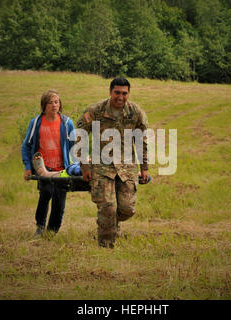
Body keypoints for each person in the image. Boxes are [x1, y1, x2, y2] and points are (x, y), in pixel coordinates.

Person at [76, 77, 149, 248]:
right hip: (102, 165)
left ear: (128, 94)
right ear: (110, 92)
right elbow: (79, 135)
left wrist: (144, 168)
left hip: (127, 166)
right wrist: (84, 167)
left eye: (124, 93)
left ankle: (111, 224)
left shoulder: (135, 112)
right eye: (117, 92)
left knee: (127, 209)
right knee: (108, 207)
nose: (120, 97)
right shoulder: (96, 111)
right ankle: (105, 246)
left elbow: (142, 141)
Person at [21, 89, 76, 237]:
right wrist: (28, 167)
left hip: (62, 169)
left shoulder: (67, 123)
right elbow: (26, 146)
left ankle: (52, 232)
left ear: (60, 104)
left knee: (59, 203)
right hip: (43, 169)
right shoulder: (36, 123)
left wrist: (78, 167)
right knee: (45, 196)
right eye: (50, 102)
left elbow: (75, 148)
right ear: (44, 105)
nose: (54, 105)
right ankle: (40, 227)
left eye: (56, 102)